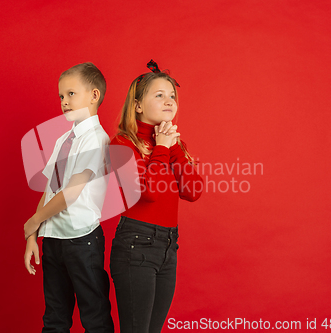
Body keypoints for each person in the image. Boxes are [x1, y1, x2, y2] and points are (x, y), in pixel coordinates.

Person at [109, 60, 204, 333]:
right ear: (137, 105)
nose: (169, 101)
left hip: (168, 246)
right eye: (159, 95)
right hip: (136, 246)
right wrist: (162, 147)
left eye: (172, 95)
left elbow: (193, 191)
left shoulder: (172, 144)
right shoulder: (122, 143)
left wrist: (172, 148)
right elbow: (148, 193)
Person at [23, 62, 114, 333]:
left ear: (94, 95)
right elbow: (51, 188)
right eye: (61, 96)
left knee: (94, 315)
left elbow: (72, 192)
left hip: (81, 241)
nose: (64, 102)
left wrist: (34, 220)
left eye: (71, 94)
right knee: (55, 317)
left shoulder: (96, 139)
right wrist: (34, 234)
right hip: (53, 240)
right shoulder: (63, 139)